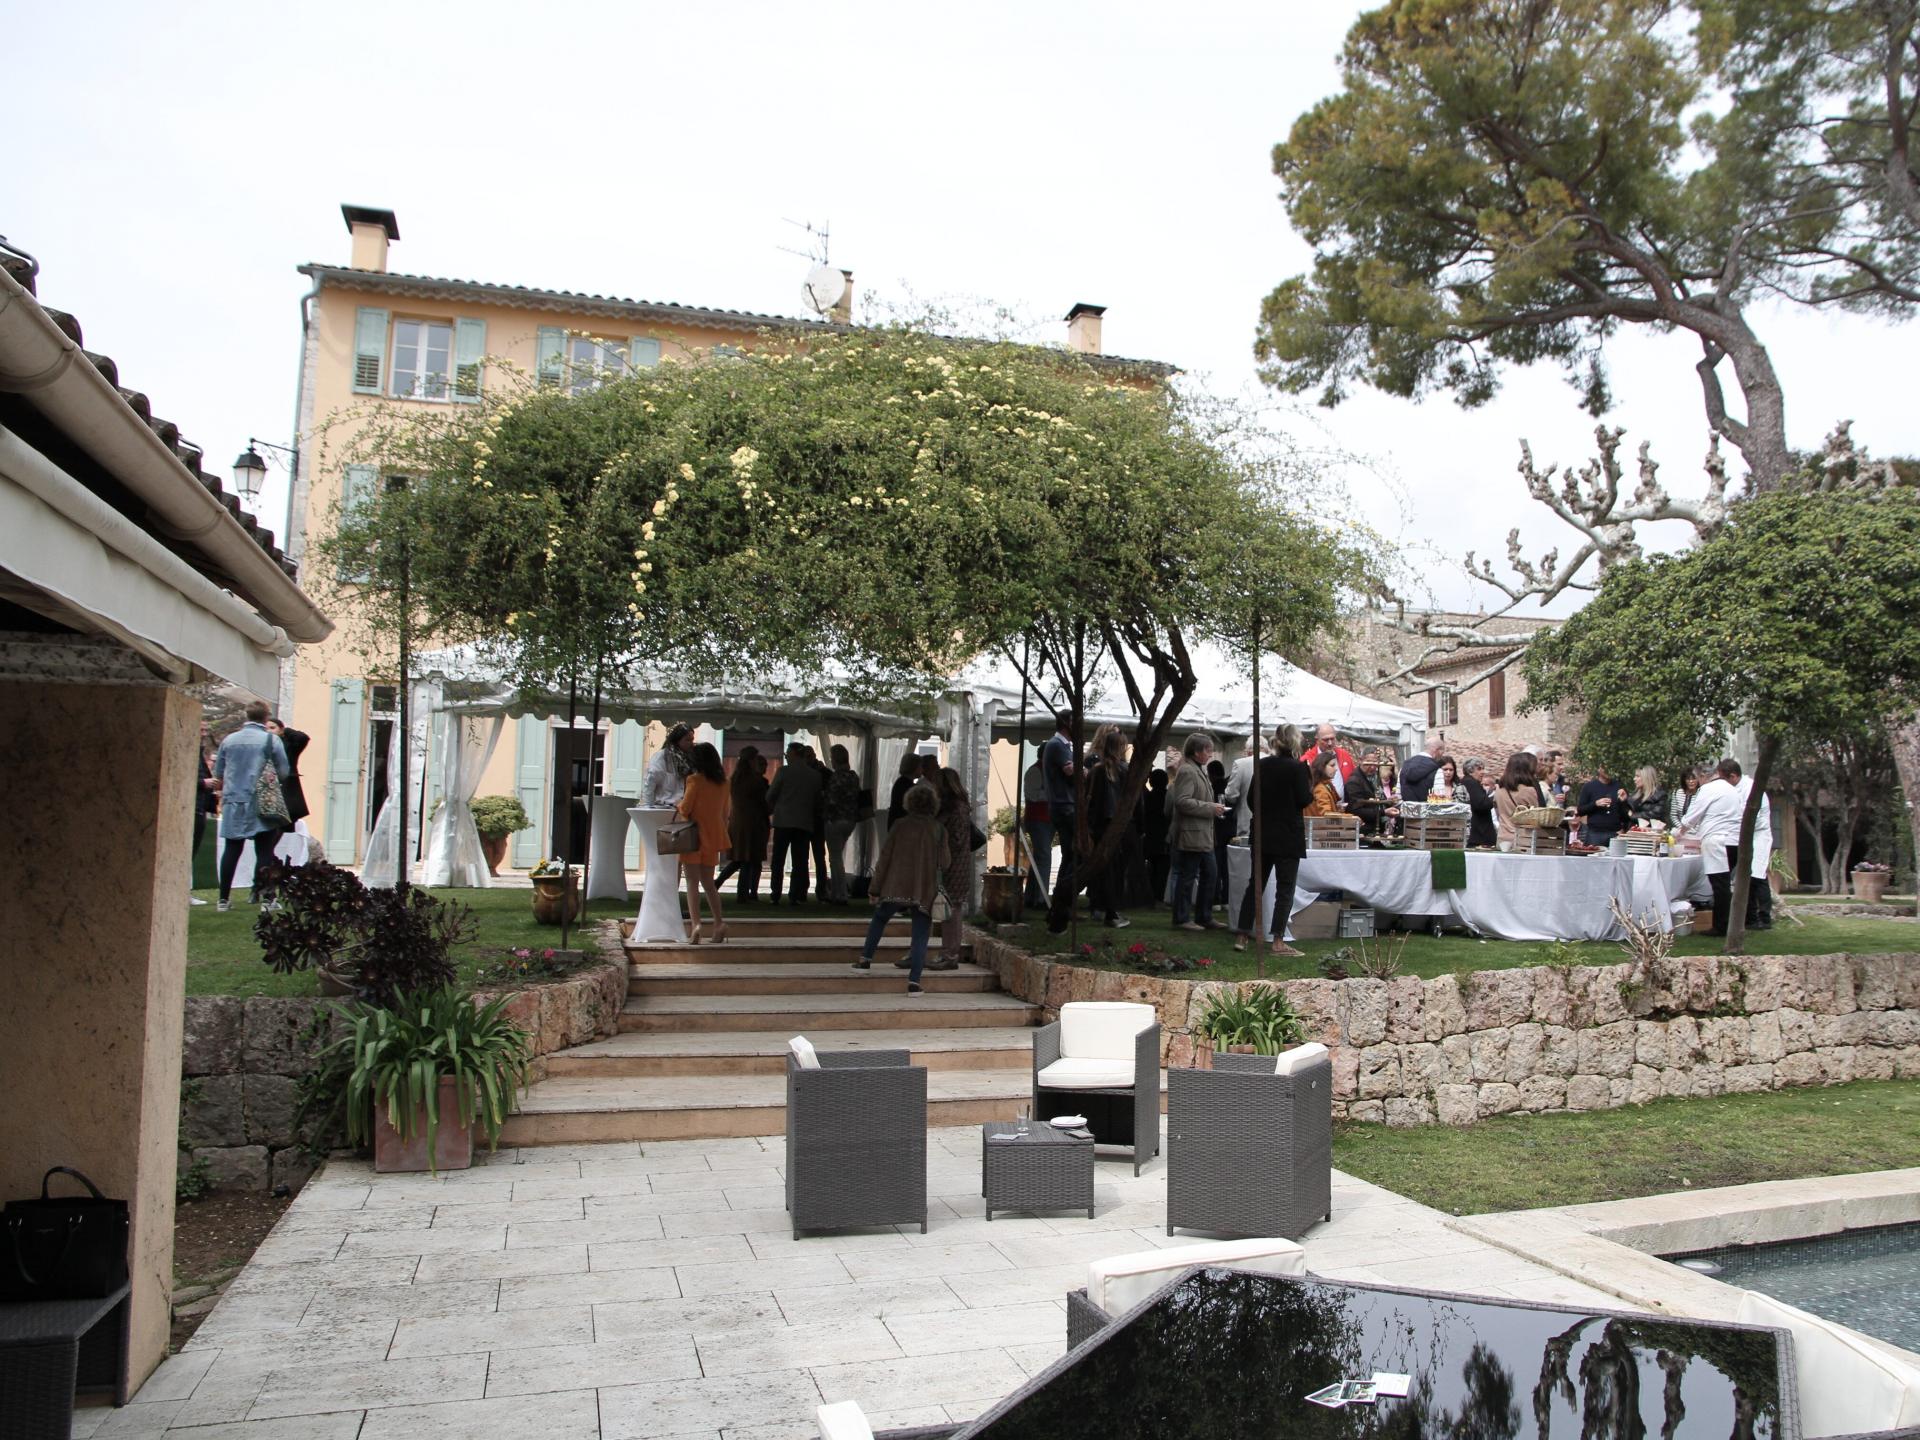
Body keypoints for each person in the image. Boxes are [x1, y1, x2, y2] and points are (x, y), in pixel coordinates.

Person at [850, 781, 949, 995]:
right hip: (924, 888)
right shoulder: (938, 829)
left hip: (896, 885)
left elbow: (885, 857)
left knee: (880, 918)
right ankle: (914, 982)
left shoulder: (900, 825)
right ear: (934, 804)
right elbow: (946, 862)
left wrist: (875, 888)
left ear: (909, 802)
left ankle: (865, 960)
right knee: (921, 933)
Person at [1232, 725, 1316, 956]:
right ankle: (1278, 940)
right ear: (1295, 742)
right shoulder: (1298, 768)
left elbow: (1251, 799)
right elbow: (1304, 799)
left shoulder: (1263, 765)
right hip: (1288, 834)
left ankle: (1242, 934)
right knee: (1285, 888)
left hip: (1263, 831)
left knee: (1255, 884)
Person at [212, 701, 290, 912]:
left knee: (232, 848)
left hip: (234, 800)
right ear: (266, 717)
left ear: (247, 715)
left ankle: (223, 899)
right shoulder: (271, 740)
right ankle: (267, 898)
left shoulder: (229, 740)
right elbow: (284, 770)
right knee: (264, 849)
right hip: (262, 800)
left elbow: (218, 772)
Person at [1674, 759, 1748, 936]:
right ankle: (1728, 924)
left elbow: (1692, 816)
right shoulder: (1731, 789)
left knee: (1719, 885)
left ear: (1703, 776)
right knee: (1725, 884)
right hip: (1734, 841)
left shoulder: (1708, 789)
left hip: (1717, 841)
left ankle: (1721, 926)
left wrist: (1678, 833)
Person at [674, 742, 731, 944]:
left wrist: (678, 804)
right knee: (709, 884)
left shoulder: (694, 780)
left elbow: (686, 808)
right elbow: (725, 812)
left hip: (693, 836)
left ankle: (696, 925)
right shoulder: (724, 783)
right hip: (713, 836)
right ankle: (719, 923)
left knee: (691, 882)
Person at [1169, 732, 1226, 931]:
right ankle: (1182, 918)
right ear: (1196, 751)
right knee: (1188, 876)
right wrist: (1210, 808)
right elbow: (1182, 802)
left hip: (1202, 834)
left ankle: (1204, 916)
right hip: (1191, 834)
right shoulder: (1187, 770)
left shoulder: (1197, 769)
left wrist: (1212, 808)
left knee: (1210, 875)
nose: (1210, 754)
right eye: (1208, 750)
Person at [1083, 728, 1132, 929]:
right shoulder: (1122, 771)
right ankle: (1111, 912)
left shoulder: (1097, 770)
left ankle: (1101, 908)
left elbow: (1088, 799)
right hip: (1114, 826)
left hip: (1099, 826)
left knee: (1101, 870)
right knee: (1112, 871)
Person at [766, 741, 824, 905]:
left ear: (793, 755)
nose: (786, 756)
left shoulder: (783, 772)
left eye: (787, 754)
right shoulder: (815, 776)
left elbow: (771, 794)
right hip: (804, 822)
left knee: (778, 860)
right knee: (800, 861)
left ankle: (775, 893)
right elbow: (818, 801)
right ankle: (795, 894)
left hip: (783, 821)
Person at [931, 767, 976, 967]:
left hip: (953, 864)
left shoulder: (955, 809)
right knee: (949, 908)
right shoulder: (958, 807)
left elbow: (955, 840)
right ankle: (947, 952)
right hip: (955, 863)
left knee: (952, 909)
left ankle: (950, 954)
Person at [1042, 709, 1080, 932]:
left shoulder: (1062, 746)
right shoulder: (1058, 745)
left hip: (1063, 805)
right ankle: (1061, 904)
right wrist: (1086, 770)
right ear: (1066, 723)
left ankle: (1061, 904)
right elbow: (1071, 772)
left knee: (1070, 856)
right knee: (1073, 856)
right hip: (1064, 806)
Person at [716, 749, 769, 901]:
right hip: (754, 823)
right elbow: (764, 804)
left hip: (737, 823)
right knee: (751, 859)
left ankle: (720, 884)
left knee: (740, 859)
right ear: (751, 761)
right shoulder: (757, 782)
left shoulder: (735, 779)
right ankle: (746, 893)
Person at [821, 744, 863, 905]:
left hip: (835, 820)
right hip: (850, 820)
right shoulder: (853, 776)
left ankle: (839, 894)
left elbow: (831, 801)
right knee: (838, 856)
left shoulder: (836, 777)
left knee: (835, 858)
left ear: (835, 759)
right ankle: (840, 893)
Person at [191, 722, 220, 903]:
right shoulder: (189, 751)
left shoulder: (198, 751)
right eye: (201, 730)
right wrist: (204, 783)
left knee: (192, 852)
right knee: (188, 851)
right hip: (193, 807)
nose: (204, 734)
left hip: (200, 806)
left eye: (205, 730)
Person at [265, 718, 311, 831]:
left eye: (272, 728)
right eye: (266, 729)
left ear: (281, 730)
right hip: (268, 787)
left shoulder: (289, 745)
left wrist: (286, 731)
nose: (269, 731)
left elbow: (303, 738)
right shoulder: (263, 744)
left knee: (284, 821)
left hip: (287, 786)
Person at [1493, 752, 1544, 849]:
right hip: (1522, 839)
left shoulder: (1499, 789)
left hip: (1502, 838)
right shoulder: (1528, 791)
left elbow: (1498, 812)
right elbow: (1536, 818)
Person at [1575, 763, 1631, 846]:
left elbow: (1626, 815)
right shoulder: (1589, 787)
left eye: (1611, 767)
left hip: (1615, 833)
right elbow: (1580, 810)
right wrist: (1595, 804)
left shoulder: (1619, 786)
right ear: (1599, 768)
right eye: (1605, 768)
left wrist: (1624, 802)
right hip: (1595, 834)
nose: (1608, 771)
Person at [1021, 756, 1052, 906]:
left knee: (1039, 857)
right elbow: (1032, 795)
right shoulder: (1035, 771)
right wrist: (1054, 794)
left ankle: (1031, 896)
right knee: (1044, 857)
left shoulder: (1047, 770)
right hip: (1038, 819)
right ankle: (1040, 897)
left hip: (1046, 819)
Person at [644, 722, 696, 809]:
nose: (691, 744)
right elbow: (650, 783)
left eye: (692, 740)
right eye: (687, 740)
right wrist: (648, 808)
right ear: (677, 740)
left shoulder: (690, 758)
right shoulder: (661, 757)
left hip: (682, 809)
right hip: (663, 808)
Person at [1141, 768, 1172, 905]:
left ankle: (1150, 895)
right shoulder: (1168, 796)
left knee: (1151, 868)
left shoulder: (1147, 797)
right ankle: (1159, 897)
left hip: (1150, 836)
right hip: (1164, 836)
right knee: (1162, 870)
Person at [1344, 750, 1391, 835]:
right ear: (1360, 760)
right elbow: (1356, 810)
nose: (1372, 767)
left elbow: (1379, 798)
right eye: (1368, 763)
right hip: (1363, 830)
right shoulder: (1354, 781)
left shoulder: (1374, 778)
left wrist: (1389, 802)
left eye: (1375, 763)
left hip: (1376, 827)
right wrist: (1383, 812)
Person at [1305, 723, 1357, 802]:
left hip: (1345, 806)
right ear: (1317, 739)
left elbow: (1353, 778)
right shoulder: (1307, 759)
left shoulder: (1344, 755)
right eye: (1325, 740)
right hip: (1320, 807)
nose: (1330, 743)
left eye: (1332, 739)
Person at [1461, 759, 1498, 848]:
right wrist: (1496, 797)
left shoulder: (1467, 782)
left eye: (1483, 769)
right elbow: (1482, 804)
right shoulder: (1471, 783)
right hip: (1479, 834)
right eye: (1479, 769)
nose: (1482, 772)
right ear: (1470, 770)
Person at [1399, 733, 1446, 802]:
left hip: (1406, 808)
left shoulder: (1404, 766)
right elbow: (1439, 799)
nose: (1442, 755)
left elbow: (1398, 796)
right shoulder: (1436, 770)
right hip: (1428, 808)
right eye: (1442, 752)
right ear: (1437, 750)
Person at [886, 749, 923, 827]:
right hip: (903, 826)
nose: (922, 769)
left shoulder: (900, 782)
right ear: (913, 767)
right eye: (920, 766)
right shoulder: (909, 787)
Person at [1303, 752, 1343, 817]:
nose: (1336, 769)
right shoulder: (1320, 789)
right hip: (1318, 823)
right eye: (1332, 765)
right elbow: (1326, 814)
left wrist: (1337, 809)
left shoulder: (1323, 784)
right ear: (1322, 767)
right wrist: (1348, 817)